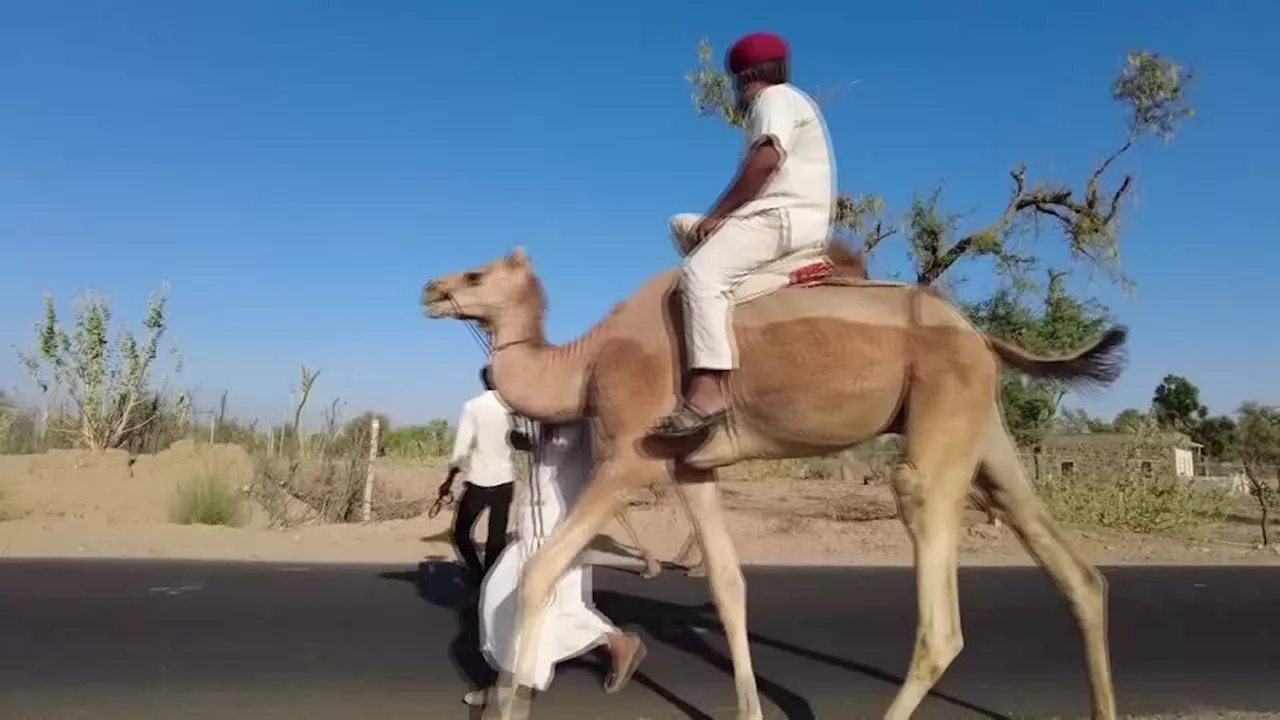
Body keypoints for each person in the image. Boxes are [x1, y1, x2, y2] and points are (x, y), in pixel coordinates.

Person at [650, 31, 837, 439]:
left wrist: (719, 214)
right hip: (775, 217)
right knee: (681, 224)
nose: (737, 91)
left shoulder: (773, 98)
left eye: (737, 81)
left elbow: (766, 161)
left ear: (748, 76)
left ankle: (709, 390)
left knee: (700, 274)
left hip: (783, 218)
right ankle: (780, 278)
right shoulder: (788, 102)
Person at [463, 417, 647, 707]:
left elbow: (563, 446)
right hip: (540, 523)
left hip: (556, 528)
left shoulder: (574, 409)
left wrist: (527, 435)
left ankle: (514, 686)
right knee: (549, 607)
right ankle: (620, 643)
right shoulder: (552, 406)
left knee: (527, 606)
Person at [437, 365, 518, 586]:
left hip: (479, 481)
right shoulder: (512, 407)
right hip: (505, 481)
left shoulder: (473, 407)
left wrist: (449, 480)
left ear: (482, 381)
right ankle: (492, 581)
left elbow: (461, 449)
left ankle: (477, 573)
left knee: (461, 532)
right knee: (496, 538)